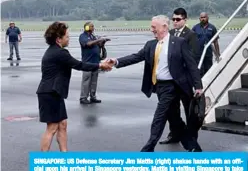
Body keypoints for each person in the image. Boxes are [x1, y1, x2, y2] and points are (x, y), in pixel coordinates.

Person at [107, 15, 203, 152]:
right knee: (174, 119)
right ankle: (193, 147)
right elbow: (136, 57)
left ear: (164, 27)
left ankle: (148, 148)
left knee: (159, 116)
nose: (151, 29)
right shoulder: (151, 45)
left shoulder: (179, 42)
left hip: (173, 86)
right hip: (160, 87)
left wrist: (198, 86)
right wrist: (116, 61)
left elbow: (191, 65)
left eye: (154, 27)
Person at [36, 22, 112, 152]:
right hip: (49, 93)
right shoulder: (59, 53)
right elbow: (79, 65)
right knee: (52, 127)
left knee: (62, 125)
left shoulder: (55, 51)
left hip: (54, 92)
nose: (68, 38)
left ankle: (65, 155)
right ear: (58, 39)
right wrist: (100, 65)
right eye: (66, 36)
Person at [159, 8, 201, 145]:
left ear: (185, 20)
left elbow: (193, 58)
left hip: (184, 80)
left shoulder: (191, 35)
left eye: (178, 19)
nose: (175, 22)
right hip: (171, 81)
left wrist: (196, 83)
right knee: (172, 110)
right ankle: (174, 134)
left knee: (189, 110)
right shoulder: (169, 34)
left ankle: (192, 138)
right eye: (174, 19)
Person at [79, 22, 110, 104]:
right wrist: (98, 40)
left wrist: (103, 42)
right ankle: (83, 97)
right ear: (86, 27)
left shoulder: (93, 36)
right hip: (87, 62)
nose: (93, 27)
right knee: (86, 81)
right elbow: (88, 44)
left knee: (94, 81)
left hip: (96, 62)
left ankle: (93, 96)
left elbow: (98, 45)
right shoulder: (83, 36)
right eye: (91, 26)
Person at [192, 12, 220, 76]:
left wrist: (218, 54)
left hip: (208, 54)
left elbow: (215, 42)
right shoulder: (195, 28)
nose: (203, 19)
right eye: (201, 17)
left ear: (207, 18)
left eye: (204, 17)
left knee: (209, 71)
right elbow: (191, 41)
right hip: (198, 54)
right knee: (199, 71)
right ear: (199, 18)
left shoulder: (212, 28)